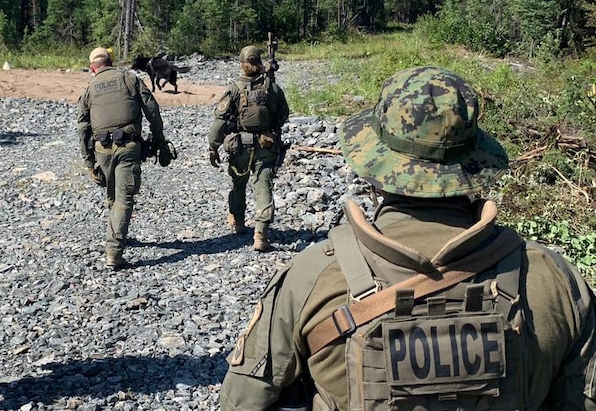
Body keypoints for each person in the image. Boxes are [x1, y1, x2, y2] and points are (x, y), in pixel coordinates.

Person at [219, 66, 596, 411]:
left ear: (373, 169)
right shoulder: (557, 281)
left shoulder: (311, 277)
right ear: (475, 162)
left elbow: (243, 402)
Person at [76, 46, 169, 270]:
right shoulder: (130, 78)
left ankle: (118, 235)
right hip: (128, 147)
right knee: (124, 198)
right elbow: (152, 110)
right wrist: (160, 141)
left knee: (113, 193)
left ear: (92, 68)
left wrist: (89, 162)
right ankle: (114, 252)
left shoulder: (89, 88)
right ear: (111, 61)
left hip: (102, 150)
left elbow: (82, 128)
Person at [208, 45, 290, 252]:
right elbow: (283, 114)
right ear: (259, 63)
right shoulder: (271, 87)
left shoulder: (234, 88)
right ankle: (261, 233)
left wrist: (213, 146)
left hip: (239, 146)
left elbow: (220, 120)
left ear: (241, 65)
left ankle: (238, 222)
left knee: (239, 184)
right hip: (266, 145)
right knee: (263, 186)